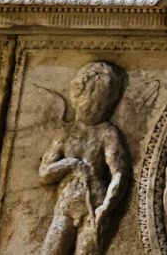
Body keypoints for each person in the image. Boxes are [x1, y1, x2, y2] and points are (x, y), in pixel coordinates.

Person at [38, 61, 130, 255]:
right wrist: (71, 164)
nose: (96, 109)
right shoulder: (66, 133)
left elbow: (118, 174)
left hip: (93, 206)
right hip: (66, 205)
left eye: (103, 105)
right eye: (92, 103)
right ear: (77, 97)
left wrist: (106, 206)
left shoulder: (107, 133)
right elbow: (45, 173)